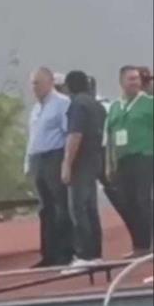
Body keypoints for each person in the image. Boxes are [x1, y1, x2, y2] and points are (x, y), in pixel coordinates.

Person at [27, 67, 74, 266]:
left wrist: (66, 162)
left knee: (60, 205)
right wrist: (28, 162)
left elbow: (69, 134)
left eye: (37, 83)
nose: (34, 87)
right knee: (45, 208)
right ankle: (48, 254)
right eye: (32, 84)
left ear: (49, 83)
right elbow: (32, 137)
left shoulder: (62, 104)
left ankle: (65, 252)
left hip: (54, 156)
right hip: (38, 159)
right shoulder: (36, 108)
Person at [105, 65, 154, 256]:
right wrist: (109, 163)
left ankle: (150, 243)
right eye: (130, 79)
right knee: (128, 202)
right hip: (122, 160)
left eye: (137, 79)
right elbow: (109, 136)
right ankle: (140, 245)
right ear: (121, 82)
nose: (135, 82)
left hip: (145, 156)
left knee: (143, 200)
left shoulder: (149, 103)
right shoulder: (115, 107)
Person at [61, 70, 105, 265]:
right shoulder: (97, 105)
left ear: (68, 87)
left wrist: (67, 164)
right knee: (91, 208)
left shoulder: (77, 105)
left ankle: (85, 254)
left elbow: (75, 135)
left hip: (81, 162)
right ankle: (96, 253)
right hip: (95, 159)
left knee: (78, 208)